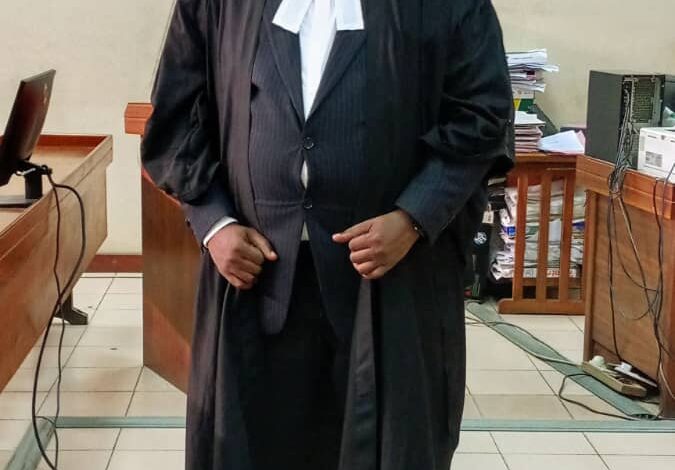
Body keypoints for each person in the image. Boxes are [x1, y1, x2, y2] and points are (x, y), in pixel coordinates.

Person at [141, 0, 513, 469]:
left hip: (391, 280)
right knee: (249, 446)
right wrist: (214, 223)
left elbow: (483, 116)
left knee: (390, 446)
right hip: (253, 279)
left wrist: (415, 217)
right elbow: (176, 119)